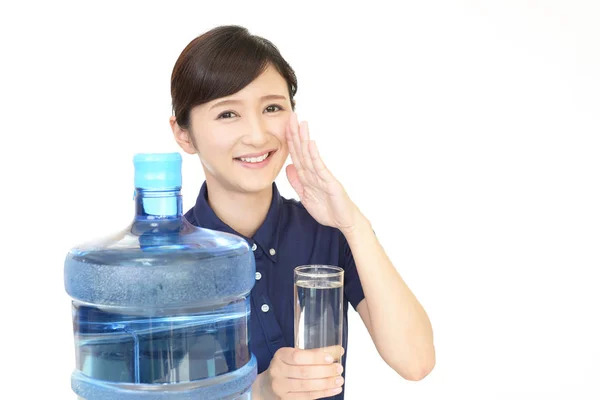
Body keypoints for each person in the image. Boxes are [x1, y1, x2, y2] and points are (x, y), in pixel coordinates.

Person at [169, 25, 435, 400]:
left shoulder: (327, 232)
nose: (258, 135)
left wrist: (353, 224)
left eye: (272, 108)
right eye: (228, 114)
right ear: (183, 134)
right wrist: (260, 391)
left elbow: (416, 361)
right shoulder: (162, 259)